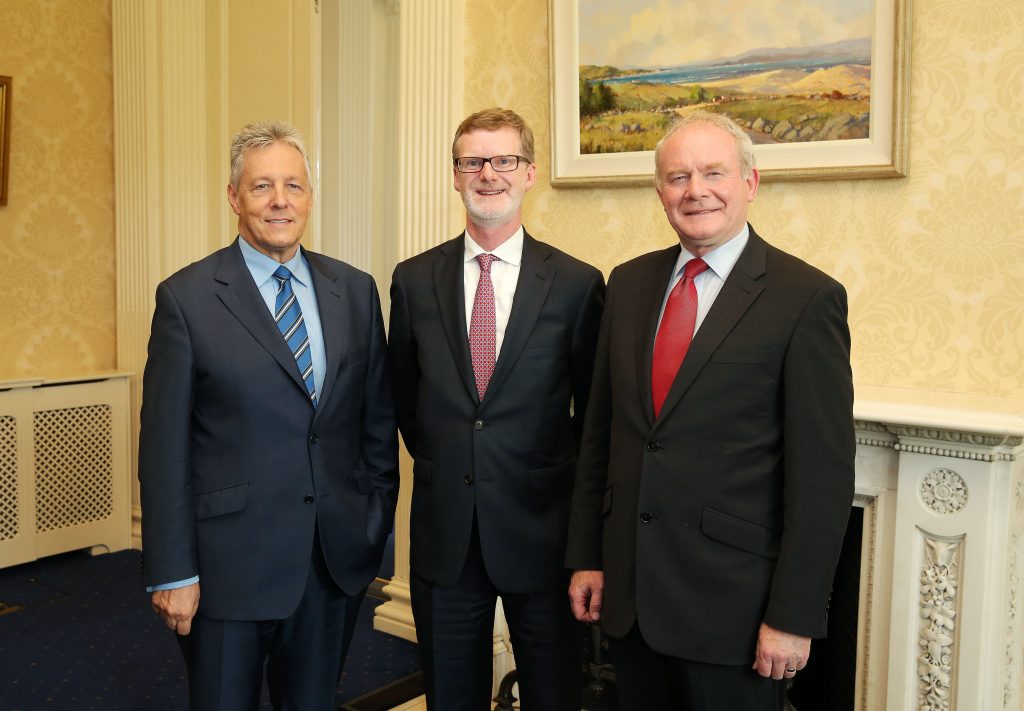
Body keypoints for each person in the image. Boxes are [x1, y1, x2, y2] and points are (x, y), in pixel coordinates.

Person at [565, 110, 855, 710]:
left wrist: (794, 616)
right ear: (660, 192)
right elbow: (601, 435)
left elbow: (822, 479)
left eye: (713, 173)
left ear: (750, 183)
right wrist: (589, 558)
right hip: (632, 599)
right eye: (678, 177)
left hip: (736, 617)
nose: (695, 191)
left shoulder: (806, 299)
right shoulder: (627, 283)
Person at [138, 120, 398, 710]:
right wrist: (172, 571)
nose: (280, 201)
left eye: (293, 186)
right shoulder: (187, 299)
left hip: (331, 565)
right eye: (261, 187)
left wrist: (371, 523)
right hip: (228, 569)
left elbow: (376, 424)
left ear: (309, 195)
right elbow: (164, 450)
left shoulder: (354, 291)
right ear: (234, 197)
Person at [388, 107, 604, 710]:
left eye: (504, 160)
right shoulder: (412, 281)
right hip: (446, 535)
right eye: (472, 161)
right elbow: (404, 402)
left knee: (552, 694)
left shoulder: (577, 285)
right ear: (455, 175)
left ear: (529, 173)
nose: (489, 174)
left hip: (544, 536)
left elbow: (591, 423)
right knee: (450, 696)